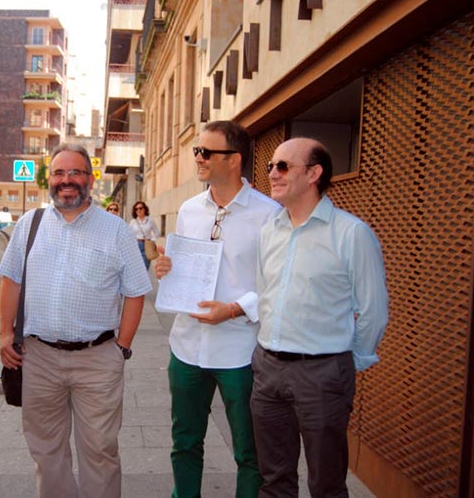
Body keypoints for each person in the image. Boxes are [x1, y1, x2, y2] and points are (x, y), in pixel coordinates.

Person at [0, 143, 152, 498]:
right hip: (38, 358)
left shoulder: (115, 230)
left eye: (75, 173)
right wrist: (5, 335)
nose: (67, 180)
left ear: (90, 178)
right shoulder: (28, 224)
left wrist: (122, 348)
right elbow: (10, 280)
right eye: (59, 173)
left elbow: (135, 291)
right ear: (49, 180)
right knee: (46, 450)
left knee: (100, 451)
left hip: (97, 360)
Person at [252, 137, 389, 497]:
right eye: (271, 166)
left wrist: (345, 362)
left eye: (283, 166)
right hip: (267, 371)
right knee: (273, 480)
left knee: (326, 484)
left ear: (314, 173)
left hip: (322, 374)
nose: (272, 174)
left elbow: (374, 311)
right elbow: (265, 295)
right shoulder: (269, 231)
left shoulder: (351, 234)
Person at [154, 121, 279, 498]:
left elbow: (276, 282)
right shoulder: (189, 209)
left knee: (250, 452)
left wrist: (234, 309)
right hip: (187, 346)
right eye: (196, 151)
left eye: (207, 152)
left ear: (234, 159)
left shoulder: (270, 214)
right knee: (185, 443)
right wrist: (167, 270)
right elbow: (186, 270)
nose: (198, 158)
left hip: (240, 351)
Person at [129, 200, 159, 270]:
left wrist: (152, 240)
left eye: (140, 208)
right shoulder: (133, 222)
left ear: (145, 209)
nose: (138, 210)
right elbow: (129, 234)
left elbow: (157, 232)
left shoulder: (150, 220)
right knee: (135, 268)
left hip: (146, 245)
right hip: (136, 245)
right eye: (136, 209)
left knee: (145, 268)